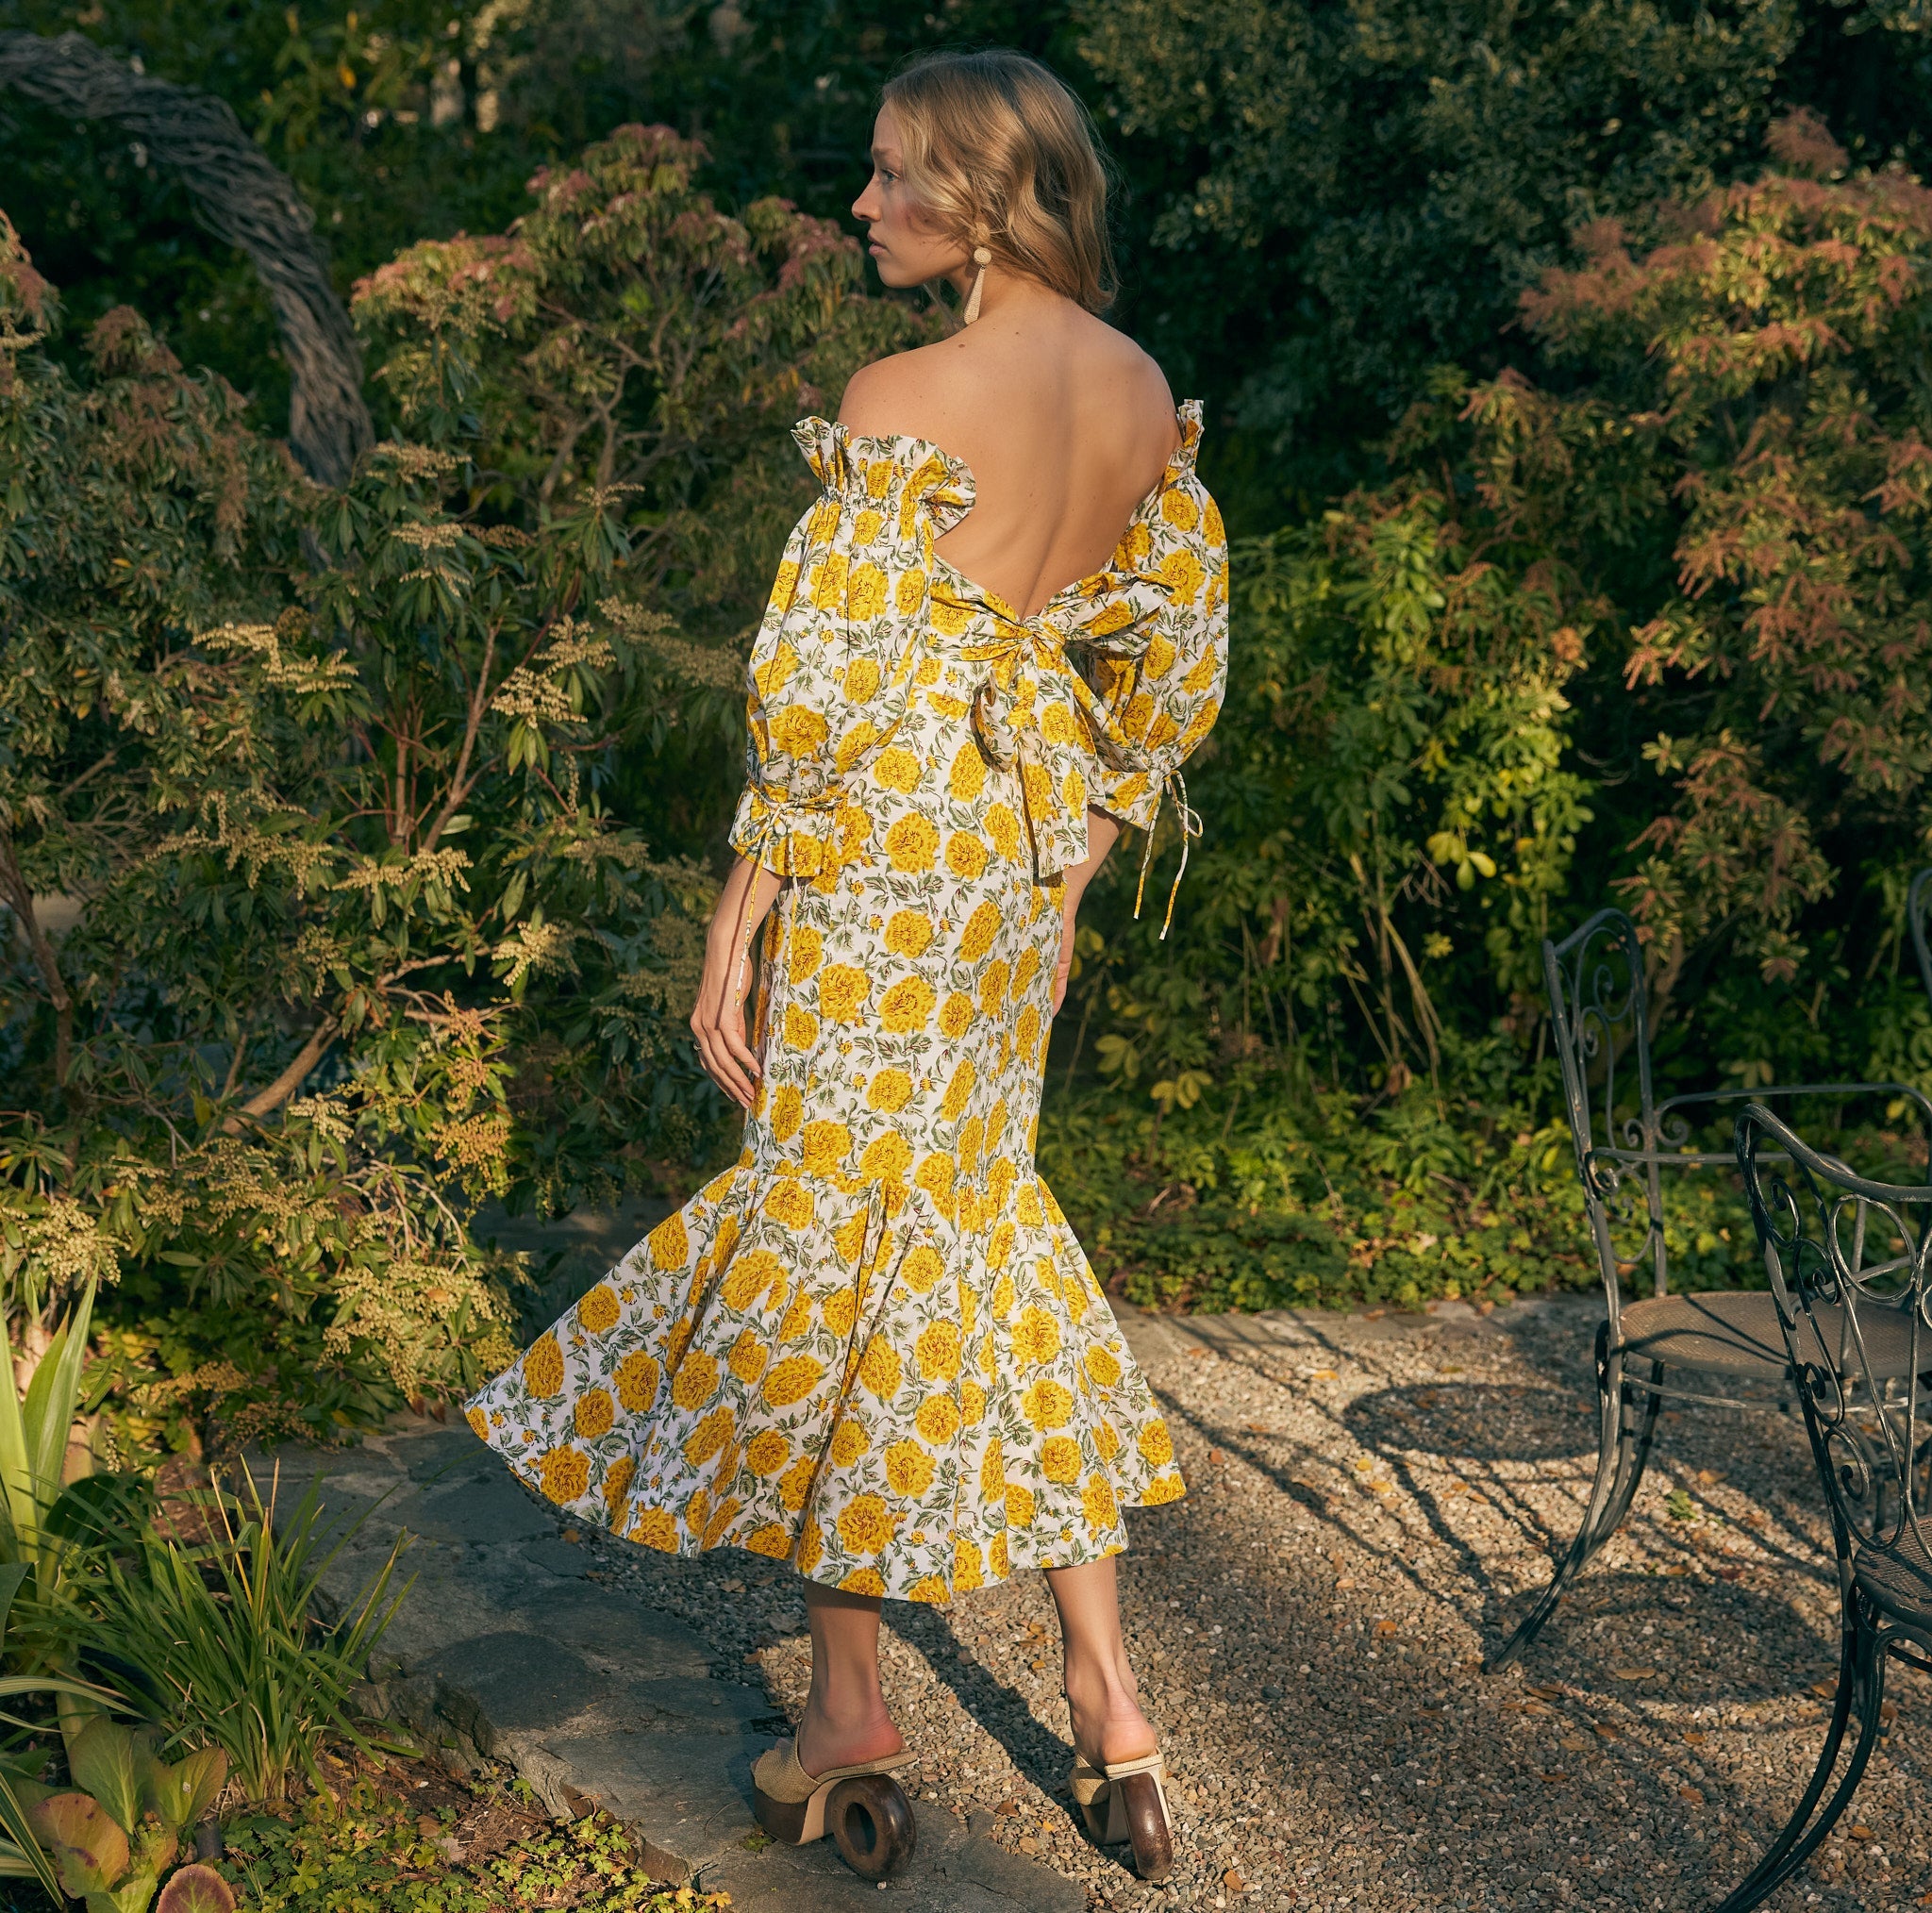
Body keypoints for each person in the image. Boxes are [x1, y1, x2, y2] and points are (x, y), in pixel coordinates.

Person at [462, 46, 1228, 1886]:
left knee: (828, 1262)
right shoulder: (1139, 400)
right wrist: (1064, 870)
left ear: (976, 194)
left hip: (879, 873)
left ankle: (850, 1715)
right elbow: (1165, 675)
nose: (861, 208)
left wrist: (743, 911)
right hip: (995, 882)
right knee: (972, 1234)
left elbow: (818, 689)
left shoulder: (902, 390)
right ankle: (1112, 1710)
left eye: (890, 179)